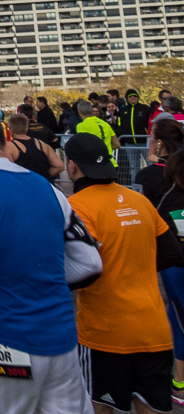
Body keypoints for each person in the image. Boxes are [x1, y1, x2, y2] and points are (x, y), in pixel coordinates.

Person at [0, 111, 101, 411]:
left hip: (1, 340)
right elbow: (90, 262)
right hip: (62, 340)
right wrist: (35, 274)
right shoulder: (50, 189)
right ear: (4, 140)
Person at [67, 132, 184, 414]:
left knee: (101, 408)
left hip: (105, 334)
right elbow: (172, 253)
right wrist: (135, 262)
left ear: (71, 166)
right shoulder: (139, 201)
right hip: (153, 329)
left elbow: (80, 268)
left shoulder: (76, 206)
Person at [136, 118, 184, 403]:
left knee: (178, 320)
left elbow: (140, 216)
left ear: (159, 142)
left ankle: (178, 384)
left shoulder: (149, 176)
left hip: (173, 257)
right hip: (175, 256)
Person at [4, 114, 64, 181]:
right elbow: (60, 166)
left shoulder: (10, 147)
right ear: (26, 128)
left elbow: (8, 171)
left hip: (24, 185)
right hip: (43, 185)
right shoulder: (42, 145)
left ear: (11, 130)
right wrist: (45, 177)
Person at [75, 100, 120, 166]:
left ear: (79, 112)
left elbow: (82, 145)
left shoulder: (81, 126)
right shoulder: (105, 124)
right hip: (110, 163)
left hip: (94, 164)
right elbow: (117, 144)